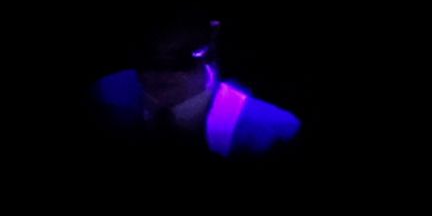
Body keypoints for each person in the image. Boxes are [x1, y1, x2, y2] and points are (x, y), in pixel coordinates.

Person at [91, 17, 301, 156]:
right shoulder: (104, 97)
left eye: (178, 58)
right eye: (148, 57)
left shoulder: (274, 131)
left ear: (207, 48)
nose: (162, 73)